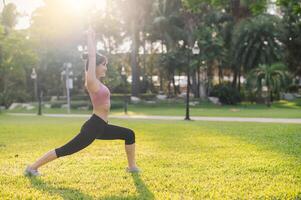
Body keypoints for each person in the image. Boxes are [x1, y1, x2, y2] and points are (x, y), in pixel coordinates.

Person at [24, 26, 140, 176]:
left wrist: (93, 41)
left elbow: (92, 58)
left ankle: (132, 167)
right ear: (95, 66)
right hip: (93, 126)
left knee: (129, 134)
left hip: (102, 126)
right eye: (103, 64)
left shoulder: (98, 82)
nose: (106, 67)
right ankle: (32, 167)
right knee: (65, 150)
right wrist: (90, 38)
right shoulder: (91, 82)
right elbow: (92, 56)